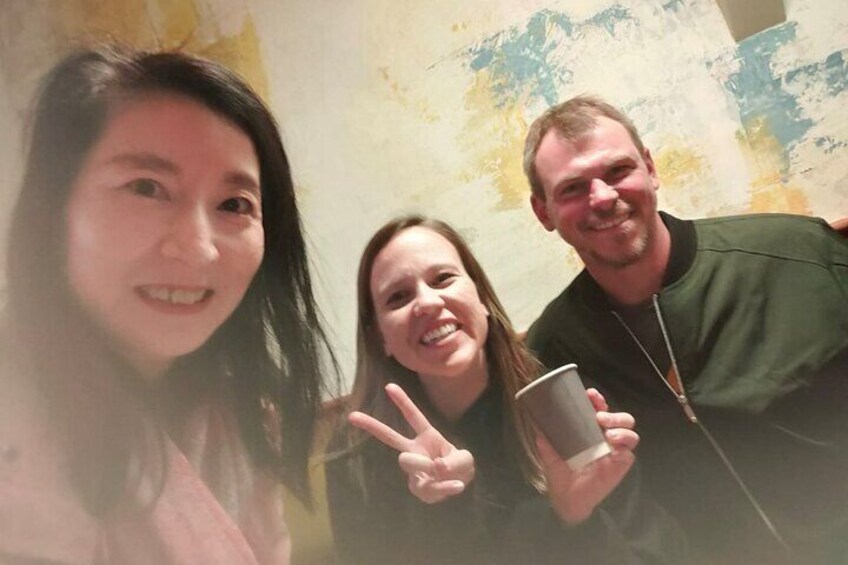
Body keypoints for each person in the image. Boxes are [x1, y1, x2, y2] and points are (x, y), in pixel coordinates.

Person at [0, 45, 335, 564]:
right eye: (146, 187)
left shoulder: (239, 417)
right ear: (54, 211)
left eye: (234, 204)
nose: (199, 249)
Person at [524, 94, 848, 564]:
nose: (603, 197)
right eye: (572, 188)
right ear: (543, 213)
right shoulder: (550, 358)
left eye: (618, 171)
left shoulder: (798, 256)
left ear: (650, 168)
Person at [325, 215, 687, 564]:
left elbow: (656, 552)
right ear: (380, 337)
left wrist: (576, 518)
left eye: (443, 279)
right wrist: (443, 509)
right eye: (398, 297)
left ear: (482, 298)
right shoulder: (358, 456)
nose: (428, 303)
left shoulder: (564, 402)